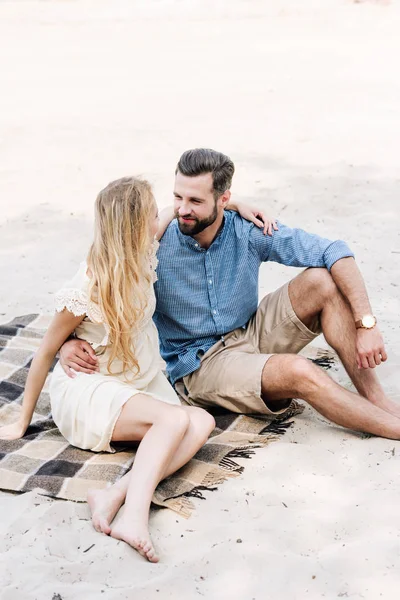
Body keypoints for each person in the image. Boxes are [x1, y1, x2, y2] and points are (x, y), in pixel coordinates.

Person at [0, 175, 275, 562]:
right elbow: (45, 350)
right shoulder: (89, 284)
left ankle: (113, 493)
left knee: (200, 422)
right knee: (173, 422)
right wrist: (21, 421)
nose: (158, 217)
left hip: (135, 381)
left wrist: (235, 205)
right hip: (89, 389)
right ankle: (135, 515)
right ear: (132, 225)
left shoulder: (144, 249)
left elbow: (184, 209)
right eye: (149, 213)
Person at [59, 149, 400, 445]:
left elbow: (334, 250)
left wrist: (366, 324)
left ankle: (376, 399)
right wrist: (67, 341)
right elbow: (93, 283)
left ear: (224, 199)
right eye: (178, 197)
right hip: (199, 364)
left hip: (250, 332)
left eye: (195, 201)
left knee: (321, 280)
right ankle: (394, 427)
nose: (181, 209)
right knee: (300, 371)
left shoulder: (246, 229)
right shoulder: (155, 242)